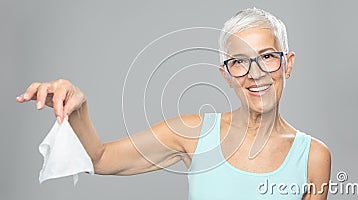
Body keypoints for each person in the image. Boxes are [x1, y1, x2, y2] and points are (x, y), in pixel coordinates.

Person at [16, 7, 331, 200]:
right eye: (239, 61)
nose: (256, 73)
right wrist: (79, 109)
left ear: (287, 64)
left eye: (267, 57)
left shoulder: (313, 157)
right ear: (226, 75)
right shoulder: (193, 133)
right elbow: (100, 159)